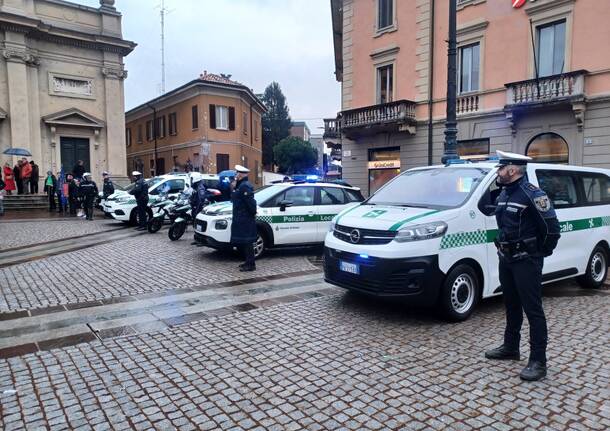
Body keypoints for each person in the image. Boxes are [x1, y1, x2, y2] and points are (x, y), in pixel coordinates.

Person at [485, 150, 561, 382]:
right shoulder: (505, 194)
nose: (497, 172)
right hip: (506, 259)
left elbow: (551, 229)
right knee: (511, 304)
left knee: (533, 309)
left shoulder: (532, 194)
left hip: (526, 260)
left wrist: (537, 253)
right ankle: (511, 347)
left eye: (501, 168)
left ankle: (538, 361)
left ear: (513, 170)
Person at [230, 165, 257, 272]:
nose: (236, 175)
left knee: (248, 242)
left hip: (245, 218)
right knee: (244, 241)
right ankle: (248, 262)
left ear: (241, 175)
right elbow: (234, 198)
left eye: (237, 173)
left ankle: (251, 264)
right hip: (241, 217)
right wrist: (234, 186)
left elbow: (251, 203)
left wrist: (252, 214)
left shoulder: (245, 186)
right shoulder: (240, 185)